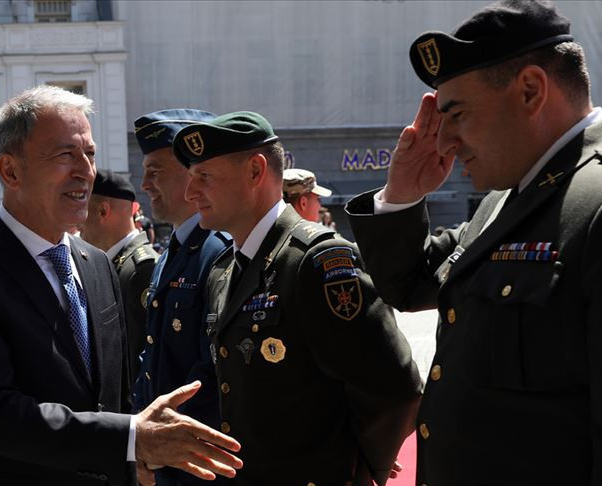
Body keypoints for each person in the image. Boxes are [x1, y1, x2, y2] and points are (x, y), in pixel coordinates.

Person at [345, 1, 602, 484]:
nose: (444, 142)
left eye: (457, 114)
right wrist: (402, 194)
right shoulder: (507, 198)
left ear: (530, 90)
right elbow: (409, 284)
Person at [0, 85, 242, 485]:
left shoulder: (96, 264)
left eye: (89, 154)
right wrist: (131, 439)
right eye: (65, 155)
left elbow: (114, 395)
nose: (85, 170)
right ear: (11, 171)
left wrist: (135, 457)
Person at [176, 111, 422, 484]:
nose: (190, 192)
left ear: (255, 171)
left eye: (204, 176)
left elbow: (394, 387)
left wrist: (363, 465)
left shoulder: (315, 260)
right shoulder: (223, 269)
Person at [133, 109, 232, 486]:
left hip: (198, 463)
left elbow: (213, 371)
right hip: (168, 460)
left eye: (155, 171)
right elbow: (152, 358)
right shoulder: (171, 253)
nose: (145, 184)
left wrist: (154, 444)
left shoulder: (217, 250)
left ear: (191, 174)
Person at [80, 169, 158, 382]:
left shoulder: (141, 269)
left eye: (82, 210)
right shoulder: (112, 263)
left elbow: (140, 357)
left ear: (102, 211)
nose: (77, 223)